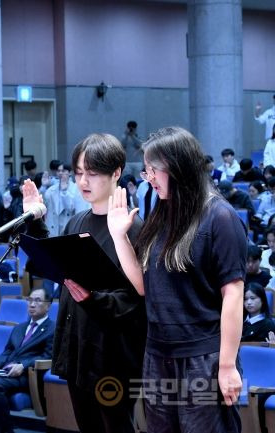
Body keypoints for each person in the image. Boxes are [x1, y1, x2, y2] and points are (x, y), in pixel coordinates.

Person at [108, 126, 245, 432]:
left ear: (179, 167)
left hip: (204, 358)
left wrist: (227, 366)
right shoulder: (163, 213)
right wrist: (119, 237)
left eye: (153, 170)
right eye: (146, 171)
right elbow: (144, 286)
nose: (149, 178)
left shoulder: (220, 218)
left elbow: (234, 295)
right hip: (158, 354)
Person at [51, 133, 146, 433]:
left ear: (115, 173)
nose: (83, 181)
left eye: (92, 173)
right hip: (78, 345)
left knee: (115, 427)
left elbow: (135, 300)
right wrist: (34, 219)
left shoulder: (133, 229)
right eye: (79, 173)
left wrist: (92, 299)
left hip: (113, 354)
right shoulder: (76, 221)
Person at [0, 288, 54, 433]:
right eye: (30, 300)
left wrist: (23, 365)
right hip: (6, 371)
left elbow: (47, 356)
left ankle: (4, 430)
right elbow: (8, 351)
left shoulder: (52, 328)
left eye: (37, 301)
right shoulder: (19, 328)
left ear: (48, 305)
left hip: (27, 375)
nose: (32, 305)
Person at [44, 163, 81, 236]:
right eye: (59, 171)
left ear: (69, 173)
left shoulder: (76, 188)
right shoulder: (52, 189)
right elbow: (44, 204)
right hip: (53, 227)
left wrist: (64, 192)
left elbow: (70, 207)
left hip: (67, 226)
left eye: (63, 171)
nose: (60, 173)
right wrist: (44, 187)